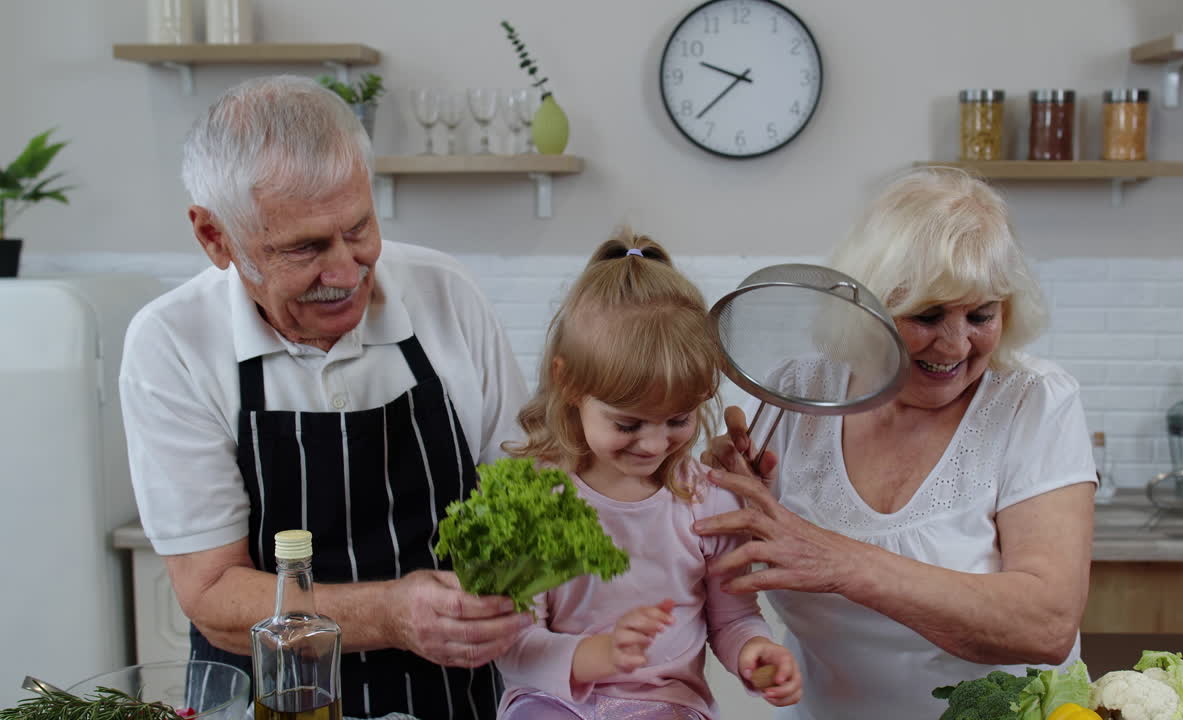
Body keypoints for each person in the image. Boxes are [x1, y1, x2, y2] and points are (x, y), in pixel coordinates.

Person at [119, 75, 531, 719]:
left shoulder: (446, 295)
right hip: (270, 700)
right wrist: (393, 614)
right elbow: (212, 594)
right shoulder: (171, 343)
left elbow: (530, 489)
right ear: (214, 236)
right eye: (304, 248)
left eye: (360, 227)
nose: (345, 272)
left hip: (456, 692)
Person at [694, 167, 1098, 720]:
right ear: (870, 310)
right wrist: (729, 500)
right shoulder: (800, 391)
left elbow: (1046, 625)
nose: (956, 344)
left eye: (981, 314)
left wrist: (841, 562)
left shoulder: (1035, 400)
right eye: (927, 315)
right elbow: (728, 578)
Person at [495, 232, 803, 720]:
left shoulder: (708, 502)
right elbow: (512, 644)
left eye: (679, 419)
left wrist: (754, 653)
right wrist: (599, 654)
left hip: (666, 706)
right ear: (567, 382)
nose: (656, 445)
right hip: (553, 701)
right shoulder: (532, 498)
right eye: (628, 424)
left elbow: (733, 618)